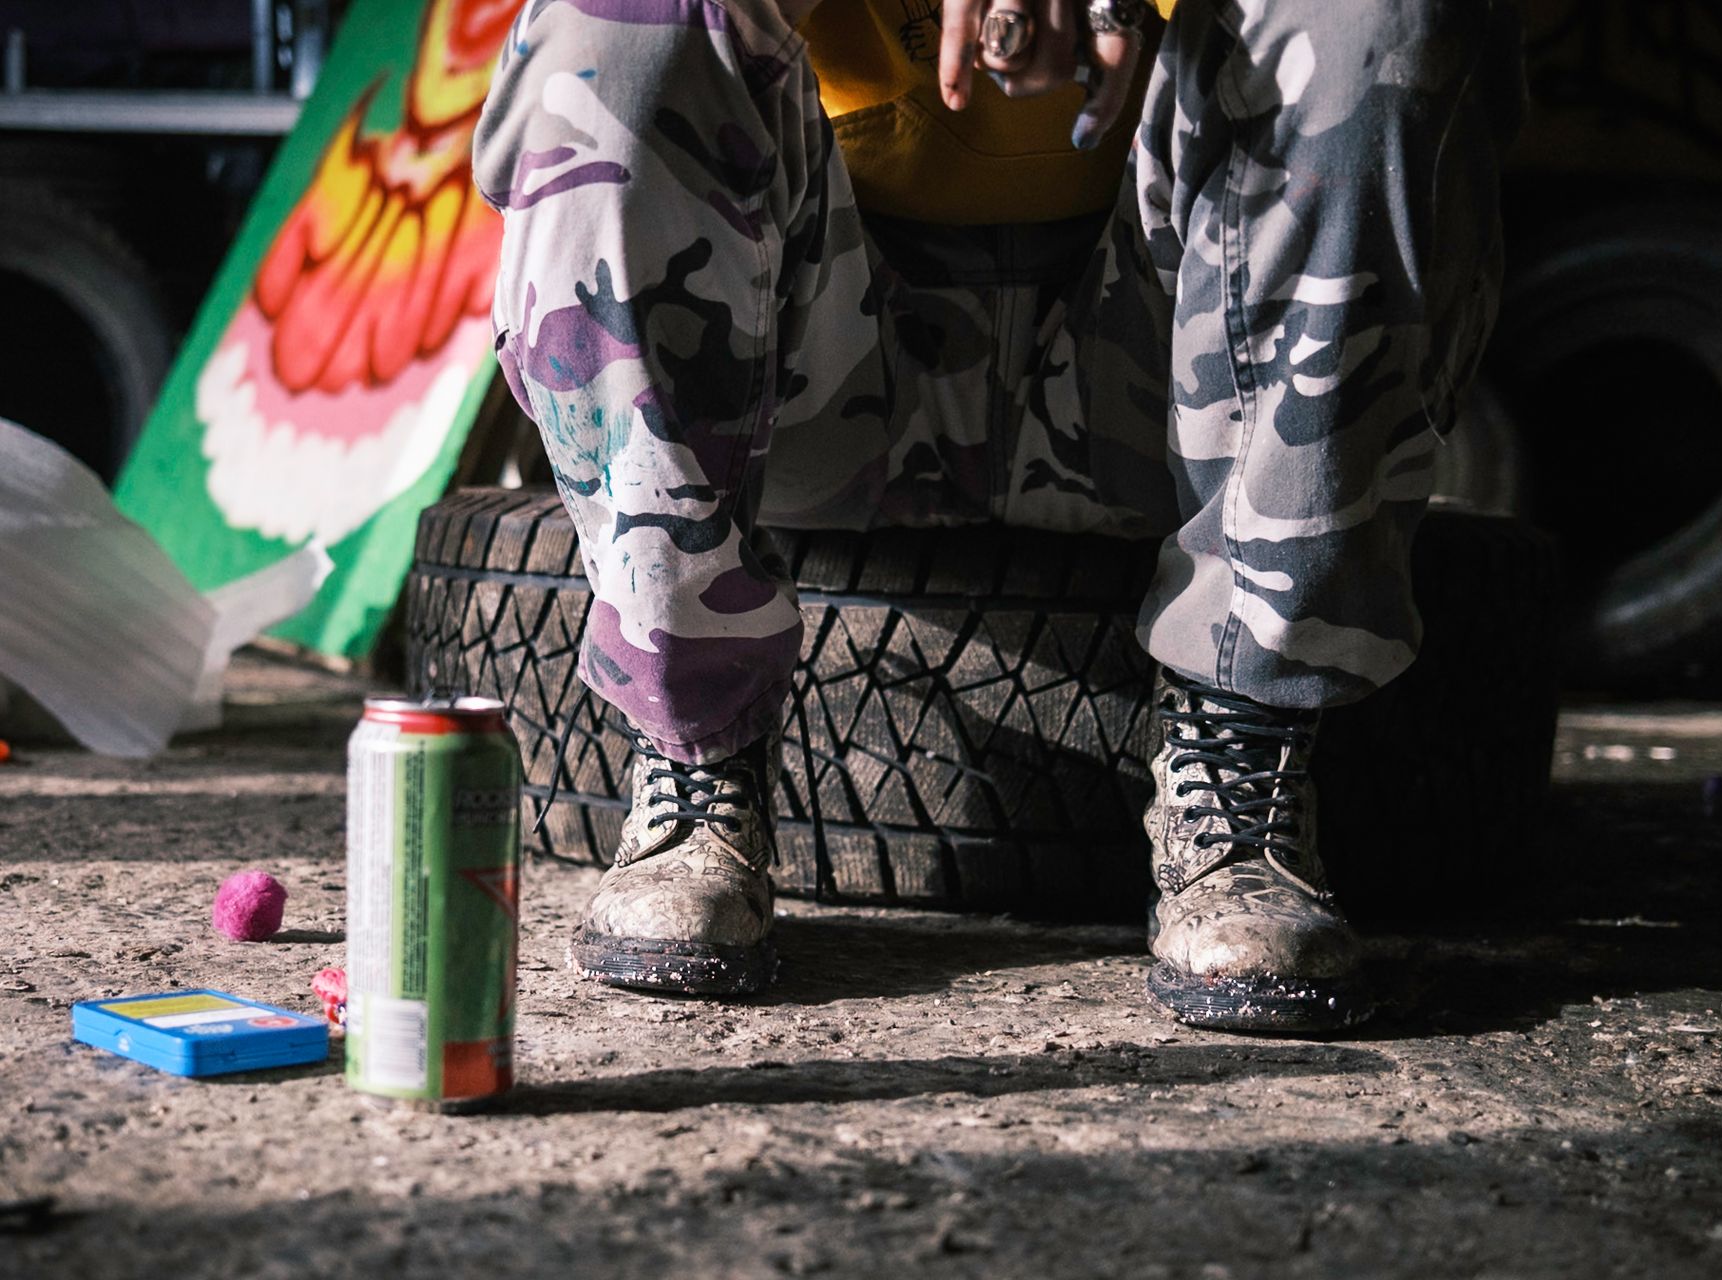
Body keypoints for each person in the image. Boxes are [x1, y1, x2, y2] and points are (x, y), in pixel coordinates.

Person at [474, 0, 1525, 1032]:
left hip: (1176, 371)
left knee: (1377, 16)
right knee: (611, 25)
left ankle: (1245, 761)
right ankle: (696, 755)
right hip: (816, 365)